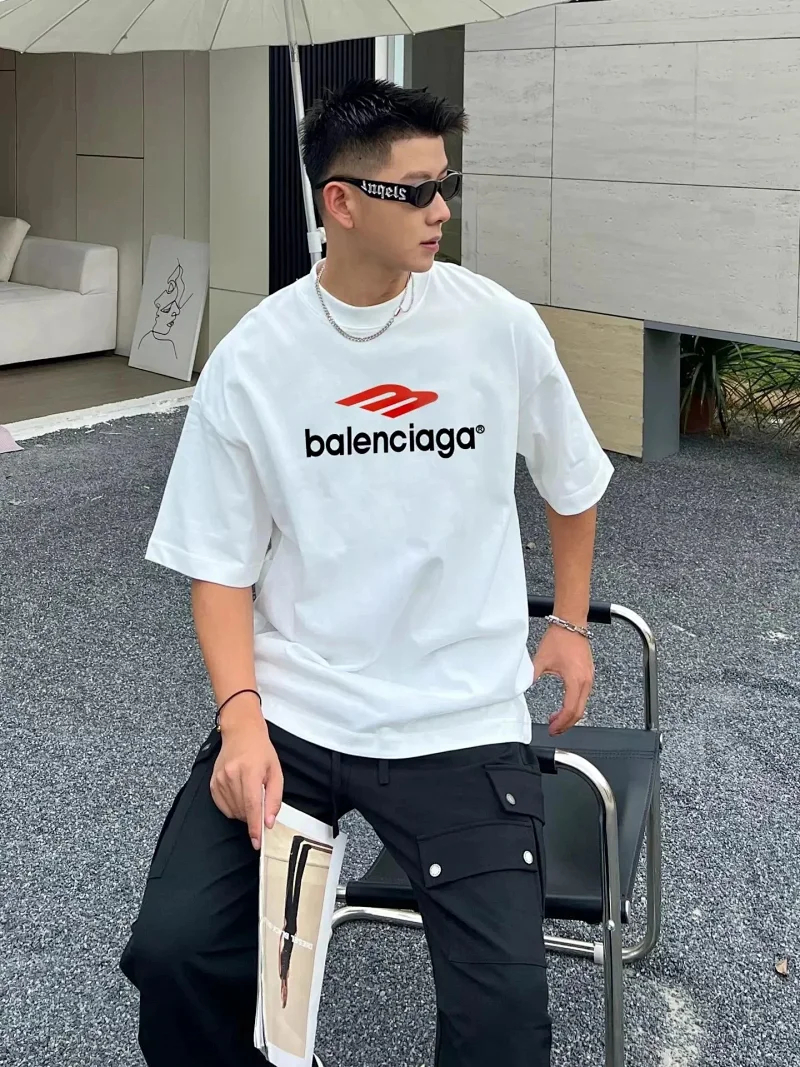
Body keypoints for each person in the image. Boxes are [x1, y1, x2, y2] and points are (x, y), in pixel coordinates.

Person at [119, 78, 614, 1067]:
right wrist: (241, 720)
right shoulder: (256, 358)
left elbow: (572, 478)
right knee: (176, 949)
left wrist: (566, 621)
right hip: (295, 715)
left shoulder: (497, 326)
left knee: (502, 1024)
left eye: (447, 184)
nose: (441, 210)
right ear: (339, 202)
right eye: (416, 190)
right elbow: (217, 565)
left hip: (456, 718)